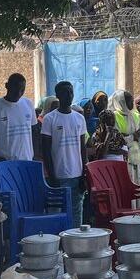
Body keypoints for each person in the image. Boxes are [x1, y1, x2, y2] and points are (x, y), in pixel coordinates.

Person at [41, 82, 88, 227]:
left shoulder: (79, 118)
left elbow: (82, 148)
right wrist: (52, 175)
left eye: (71, 92)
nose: (69, 95)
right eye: (65, 92)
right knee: (56, 214)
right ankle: (57, 245)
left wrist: (84, 174)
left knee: (76, 213)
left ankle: (74, 246)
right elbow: (46, 150)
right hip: (58, 177)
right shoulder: (49, 119)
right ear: (58, 95)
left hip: (76, 175)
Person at [0, 73, 36, 162]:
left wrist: (33, 155)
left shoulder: (28, 104)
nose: (18, 93)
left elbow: (33, 133)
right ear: (7, 86)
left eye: (22, 90)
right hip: (4, 163)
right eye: (15, 88)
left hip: (27, 161)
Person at [111, 88, 140, 185]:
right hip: (124, 157)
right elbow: (117, 140)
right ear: (121, 102)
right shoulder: (114, 117)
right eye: (128, 101)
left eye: (131, 101)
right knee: (127, 184)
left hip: (138, 157)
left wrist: (129, 136)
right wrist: (133, 137)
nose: (131, 103)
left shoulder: (136, 116)